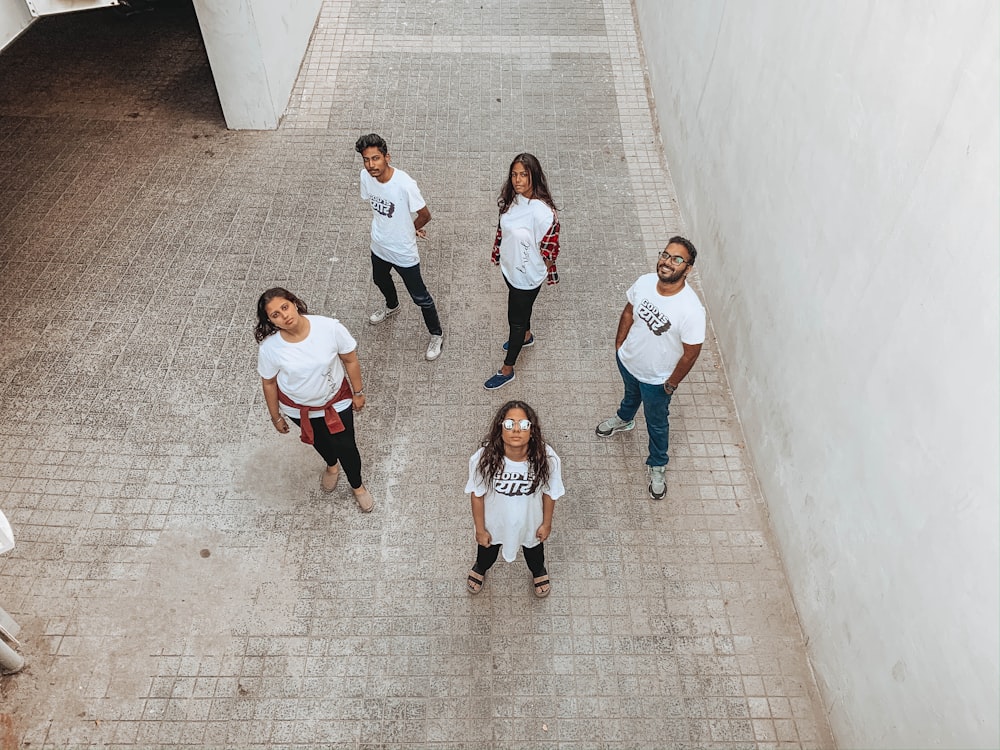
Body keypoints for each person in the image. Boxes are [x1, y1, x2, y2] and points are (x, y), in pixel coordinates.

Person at [595, 237, 706, 500]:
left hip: (658, 380)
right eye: (665, 255)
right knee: (630, 397)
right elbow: (628, 312)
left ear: (687, 269)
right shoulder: (645, 282)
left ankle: (657, 464)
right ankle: (625, 419)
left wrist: (670, 384)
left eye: (677, 259)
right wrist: (619, 347)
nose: (667, 262)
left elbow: (691, 354)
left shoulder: (691, 310)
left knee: (657, 424)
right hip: (629, 362)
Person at [255, 287, 374, 512]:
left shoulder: (329, 328)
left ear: (295, 303)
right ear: (271, 321)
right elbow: (268, 382)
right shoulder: (270, 348)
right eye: (275, 315)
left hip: (336, 402)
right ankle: (331, 465)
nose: (284, 316)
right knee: (319, 441)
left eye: (285, 307)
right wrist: (275, 416)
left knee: (346, 446)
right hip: (298, 409)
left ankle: (357, 486)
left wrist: (358, 392)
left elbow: (350, 359)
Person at [355, 133, 444, 362]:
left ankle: (436, 334)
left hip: (403, 252)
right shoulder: (365, 177)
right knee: (380, 279)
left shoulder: (404, 184)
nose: (371, 165)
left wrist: (410, 228)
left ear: (387, 157)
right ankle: (392, 306)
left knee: (420, 297)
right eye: (366, 159)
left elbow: (425, 215)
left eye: (376, 158)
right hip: (379, 244)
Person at [465, 401, 565, 598]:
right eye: (510, 424)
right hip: (494, 523)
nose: (516, 430)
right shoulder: (483, 459)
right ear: (500, 427)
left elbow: (549, 492)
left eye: (524, 425)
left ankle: (538, 571)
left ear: (532, 430)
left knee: (534, 552)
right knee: (486, 552)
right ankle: (480, 568)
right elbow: (477, 494)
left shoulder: (548, 458)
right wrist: (480, 529)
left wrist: (546, 523)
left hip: (530, 522)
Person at [483, 153, 561, 390]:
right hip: (510, 269)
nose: (518, 180)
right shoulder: (512, 199)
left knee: (514, 321)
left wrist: (534, 272)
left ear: (533, 177)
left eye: (523, 175)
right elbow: (502, 229)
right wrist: (499, 254)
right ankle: (526, 336)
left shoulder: (544, 214)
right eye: (514, 174)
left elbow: (550, 251)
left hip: (525, 279)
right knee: (521, 316)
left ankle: (507, 369)